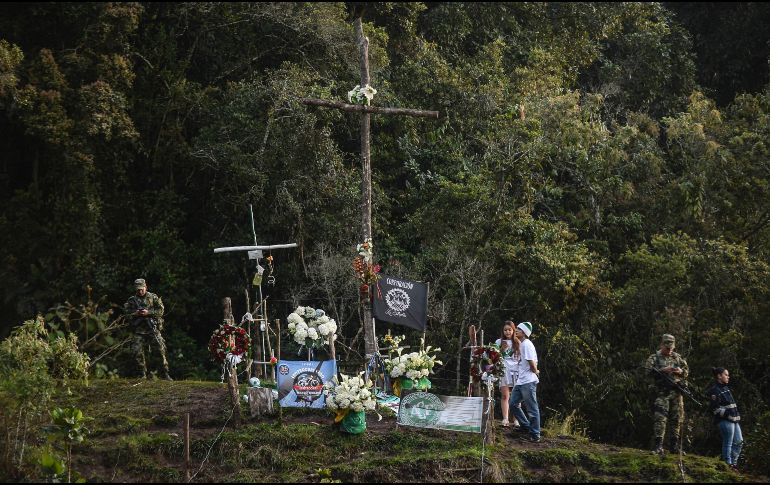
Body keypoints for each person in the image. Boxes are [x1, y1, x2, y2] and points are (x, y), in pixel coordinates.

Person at [645, 333, 689, 455]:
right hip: (661, 393)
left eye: (671, 347)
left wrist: (680, 371)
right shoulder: (654, 358)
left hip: (676, 394)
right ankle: (658, 445)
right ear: (662, 345)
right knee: (660, 419)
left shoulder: (678, 358)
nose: (669, 349)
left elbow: (686, 372)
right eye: (667, 347)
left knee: (677, 419)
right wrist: (661, 371)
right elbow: (647, 372)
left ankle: (674, 447)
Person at [124, 278, 172, 380]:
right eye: (138, 290)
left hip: (152, 328)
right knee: (136, 352)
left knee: (160, 349)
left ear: (146, 287)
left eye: (142, 289)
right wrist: (135, 313)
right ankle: (142, 374)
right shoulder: (132, 300)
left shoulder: (153, 297)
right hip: (138, 330)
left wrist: (148, 312)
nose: (140, 291)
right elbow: (126, 314)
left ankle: (165, 373)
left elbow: (161, 310)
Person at [509, 321, 541, 443]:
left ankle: (535, 434)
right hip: (521, 381)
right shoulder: (521, 344)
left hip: (528, 381)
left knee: (532, 408)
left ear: (525, 333)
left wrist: (536, 371)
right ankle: (526, 426)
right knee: (513, 404)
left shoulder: (527, 344)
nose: (516, 330)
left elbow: (531, 363)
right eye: (516, 329)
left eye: (519, 329)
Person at [704, 367, 742, 470]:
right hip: (725, 421)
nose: (728, 376)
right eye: (726, 374)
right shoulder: (714, 390)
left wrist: (736, 415)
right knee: (728, 442)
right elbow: (715, 409)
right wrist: (729, 415)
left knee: (739, 442)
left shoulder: (726, 388)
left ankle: (733, 464)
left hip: (734, 420)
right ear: (719, 376)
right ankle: (727, 464)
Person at [495, 321, 521, 429]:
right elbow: (494, 356)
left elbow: (521, 358)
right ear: (503, 331)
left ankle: (516, 419)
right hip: (504, 370)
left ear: (513, 330)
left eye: (509, 329)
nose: (507, 332)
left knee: (516, 397)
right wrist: (501, 350)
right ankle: (505, 418)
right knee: (505, 395)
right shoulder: (499, 341)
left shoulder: (518, 342)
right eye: (505, 330)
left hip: (516, 371)